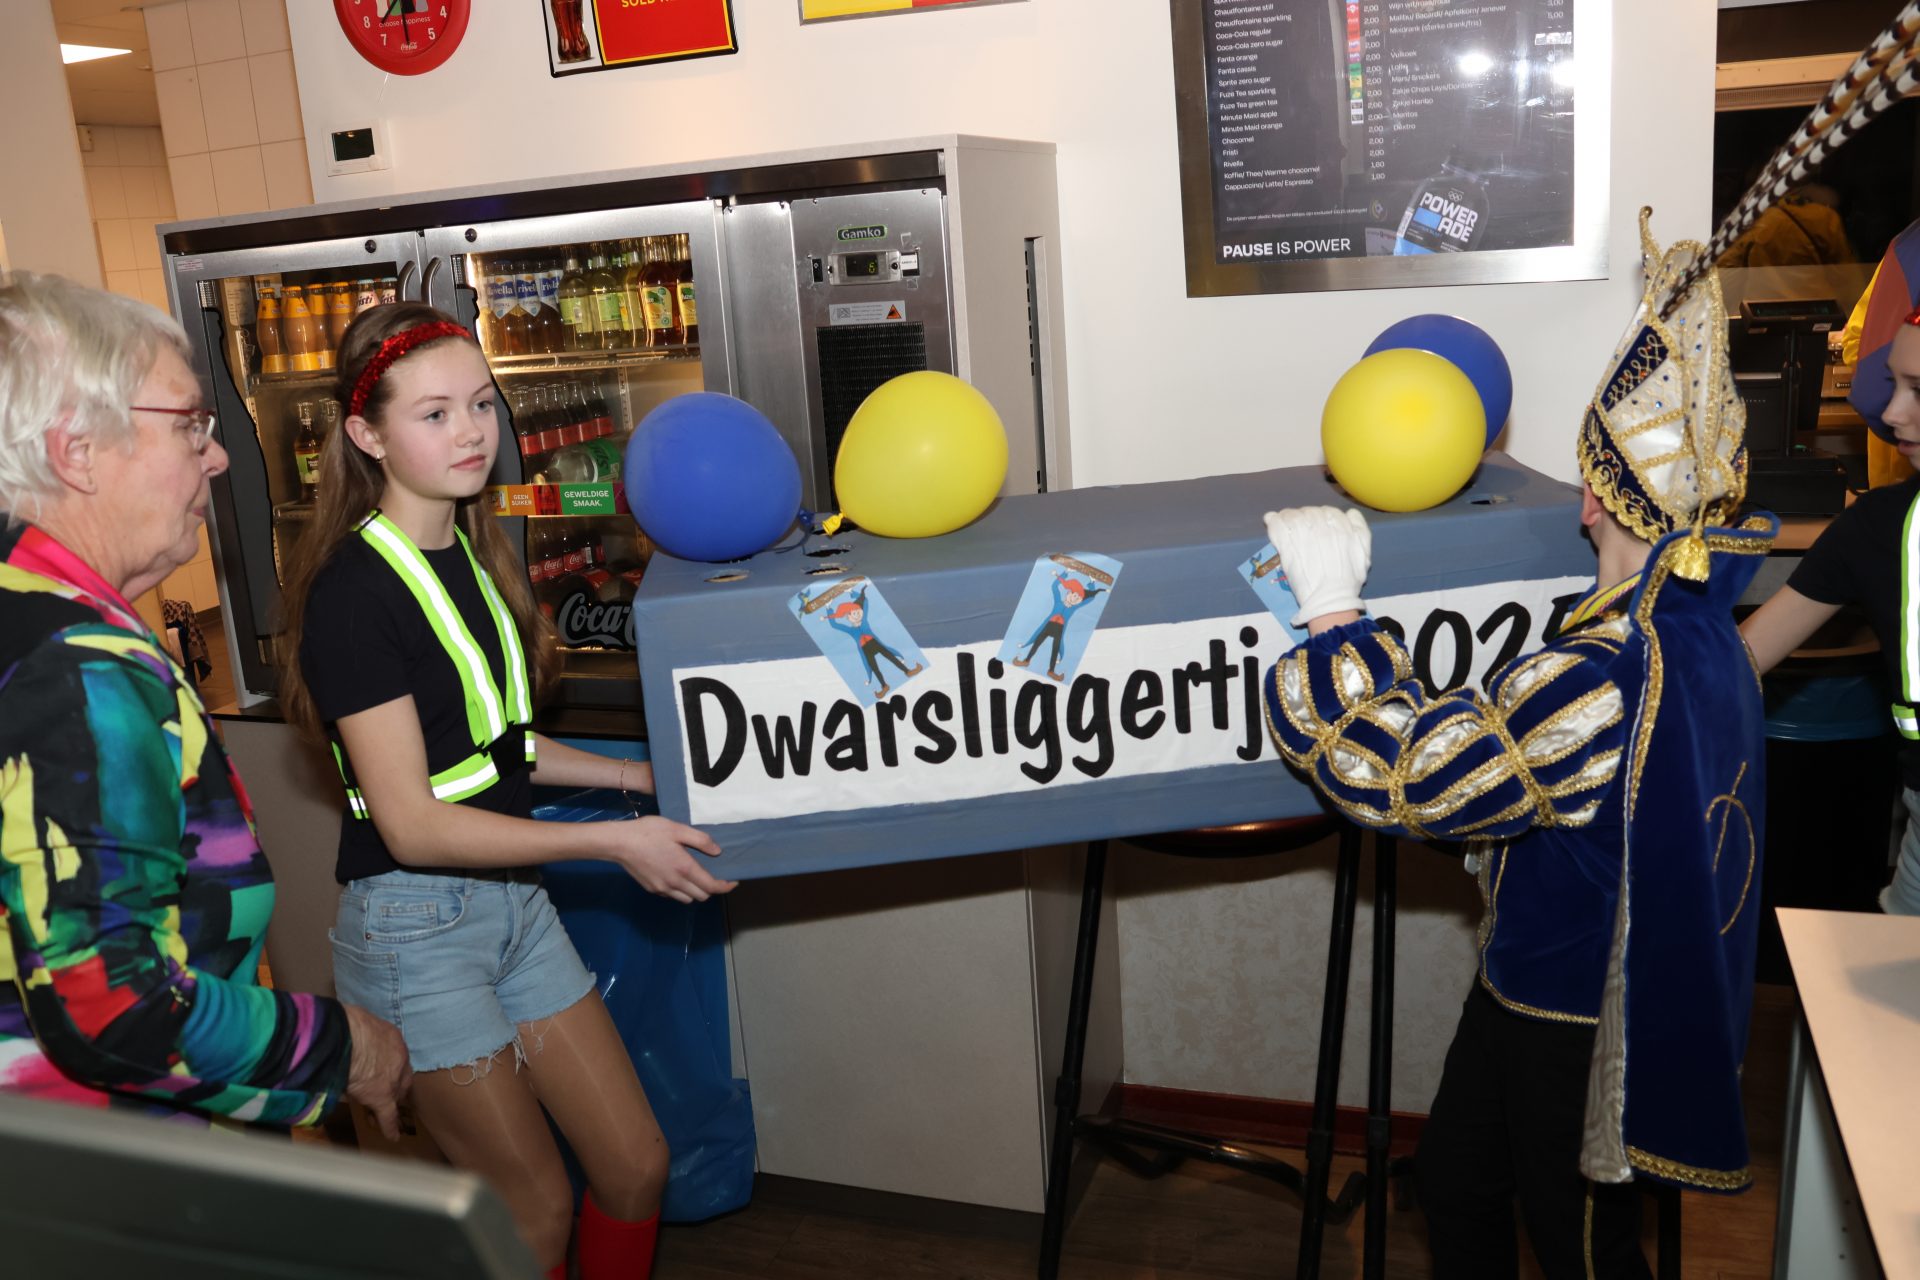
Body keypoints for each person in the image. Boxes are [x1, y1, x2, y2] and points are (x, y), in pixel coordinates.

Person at [1260, 212, 1774, 1278]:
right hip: (1529, 977)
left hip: (1579, 1018)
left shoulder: (1603, 674)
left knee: (1584, 1249)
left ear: (1594, 502)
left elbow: (1408, 780)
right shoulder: (1701, 630)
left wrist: (1332, 615)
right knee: (1457, 1181)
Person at [277, 301, 734, 1280]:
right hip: (415, 929)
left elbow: (495, 749)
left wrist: (634, 778)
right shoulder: (354, 592)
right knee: (533, 1207)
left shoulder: (472, 553)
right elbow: (413, 823)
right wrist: (613, 839)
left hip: (514, 908)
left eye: (482, 404)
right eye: (434, 413)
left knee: (637, 1166)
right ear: (367, 435)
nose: (472, 431)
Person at [0, 271, 410, 1135]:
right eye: (189, 424)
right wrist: (344, 1046)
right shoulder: (75, 671)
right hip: (93, 1165)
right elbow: (118, 1010)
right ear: (76, 451)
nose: (217, 456)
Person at [1742, 304, 1920, 915]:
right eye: (1895, 385)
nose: (1891, 414)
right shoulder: (1876, 527)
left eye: (1919, 391)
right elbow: (1739, 659)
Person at [1714, 182, 1851, 269]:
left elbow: (1725, 273)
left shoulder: (1751, 224)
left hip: (1762, 302)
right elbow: (1847, 275)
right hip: (1820, 303)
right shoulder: (1825, 217)